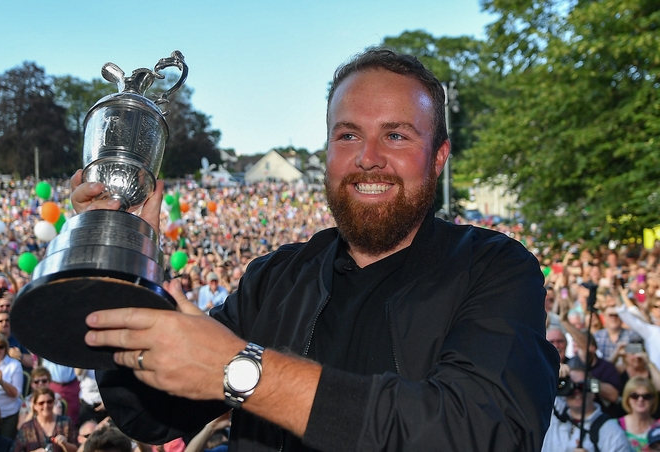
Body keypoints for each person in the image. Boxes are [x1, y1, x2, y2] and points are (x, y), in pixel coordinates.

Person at [72, 47, 559, 450]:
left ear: (438, 158)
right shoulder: (276, 280)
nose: (368, 158)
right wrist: (120, 255)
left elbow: (484, 432)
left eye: (396, 135)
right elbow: (150, 412)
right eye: (348, 135)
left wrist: (244, 372)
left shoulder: (494, 268)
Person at [542, 367, 631, 451]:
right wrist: (553, 368)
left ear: (594, 392)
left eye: (582, 386)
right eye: (570, 386)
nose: (576, 391)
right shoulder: (552, 414)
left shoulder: (611, 432)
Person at [14, 387, 77, 452]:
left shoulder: (66, 423)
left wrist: (65, 444)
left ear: (54, 403)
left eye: (49, 402)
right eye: (41, 403)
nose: (46, 406)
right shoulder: (26, 428)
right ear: (35, 406)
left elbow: (77, 449)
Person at [618, 377, 660, 451]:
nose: (640, 399)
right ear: (627, 399)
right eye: (635, 396)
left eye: (646, 396)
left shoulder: (659, 426)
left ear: (654, 399)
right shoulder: (614, 426)